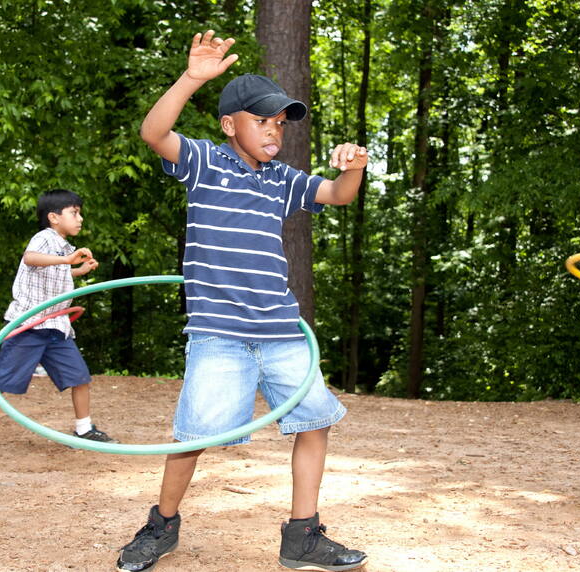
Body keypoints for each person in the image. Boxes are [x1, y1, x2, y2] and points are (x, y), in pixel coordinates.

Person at [116, 31, 369, 571]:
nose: (274, 129)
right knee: (194, 434)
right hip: (219, 330)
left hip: (279, 325)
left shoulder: (284, 180)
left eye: (280, 121)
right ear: (231, 126)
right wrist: (193, 78)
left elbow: (339, 195)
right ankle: (161, 527)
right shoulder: (205, 163)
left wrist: (354, 165)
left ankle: (302, 535)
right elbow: (153, 132)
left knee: (313, 421)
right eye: (261, 120)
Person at [0, 189, 117, 467]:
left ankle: (83, 428)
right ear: (54, 217)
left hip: (56, 327)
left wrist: (78, 271)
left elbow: (53, 274)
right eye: (74, 212)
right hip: (27, 327)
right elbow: (31, 259)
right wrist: (67, 261)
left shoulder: (63, 247)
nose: (80, 218)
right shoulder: (44, 238)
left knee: (80, 378)